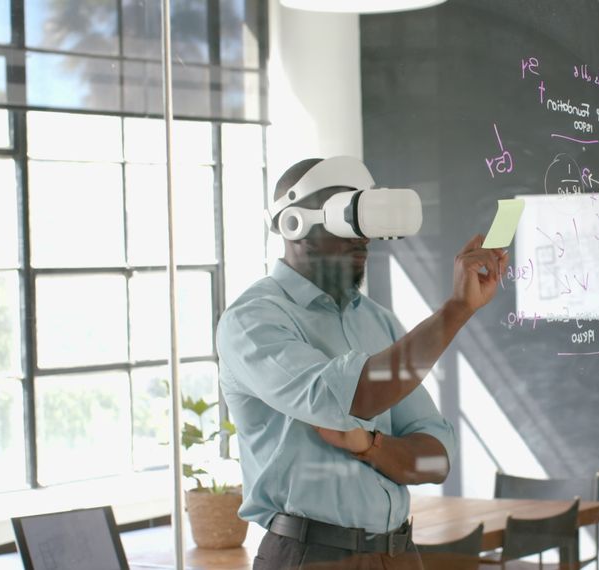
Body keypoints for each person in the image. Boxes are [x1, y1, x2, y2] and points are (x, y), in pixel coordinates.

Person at [217, 157, 508, 569]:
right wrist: (457, 309)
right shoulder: (253, 321)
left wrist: (371, 445)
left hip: (399, 554)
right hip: (310, 556)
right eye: (347, 220)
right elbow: (353, 397)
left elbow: (437, 459)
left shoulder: (377, 322)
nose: (363, 238)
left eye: (366, 221)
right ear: (294, 225)